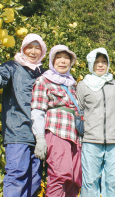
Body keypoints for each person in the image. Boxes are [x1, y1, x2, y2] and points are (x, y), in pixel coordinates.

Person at [0, 33, 48, 197]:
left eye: (37, 48)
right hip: (17, 132)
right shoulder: (13, 67)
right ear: (23, 49)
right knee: (17, 175)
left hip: (39, 136)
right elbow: (0, 78)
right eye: (30, 47)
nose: (33, 51)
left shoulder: (43, 73)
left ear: (42, 51)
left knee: (35, 179)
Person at [31, 45, 82, 197]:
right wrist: (40, 137)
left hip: (75, 135)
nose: (62, 61)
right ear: (52, 61)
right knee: (60, 174)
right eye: (58, 57)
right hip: (56, 132)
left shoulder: (72, 84)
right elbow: (38, 111)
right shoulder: (43, 81)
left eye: (66, 58)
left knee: (75, 178)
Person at [76, 48, 115, 197]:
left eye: (104, 62)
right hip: (91, 140)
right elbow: (79, 111)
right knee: (90, 182)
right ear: (91, 64)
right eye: (97, 62)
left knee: (114, 182)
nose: (100, 65)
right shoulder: (83, 85)